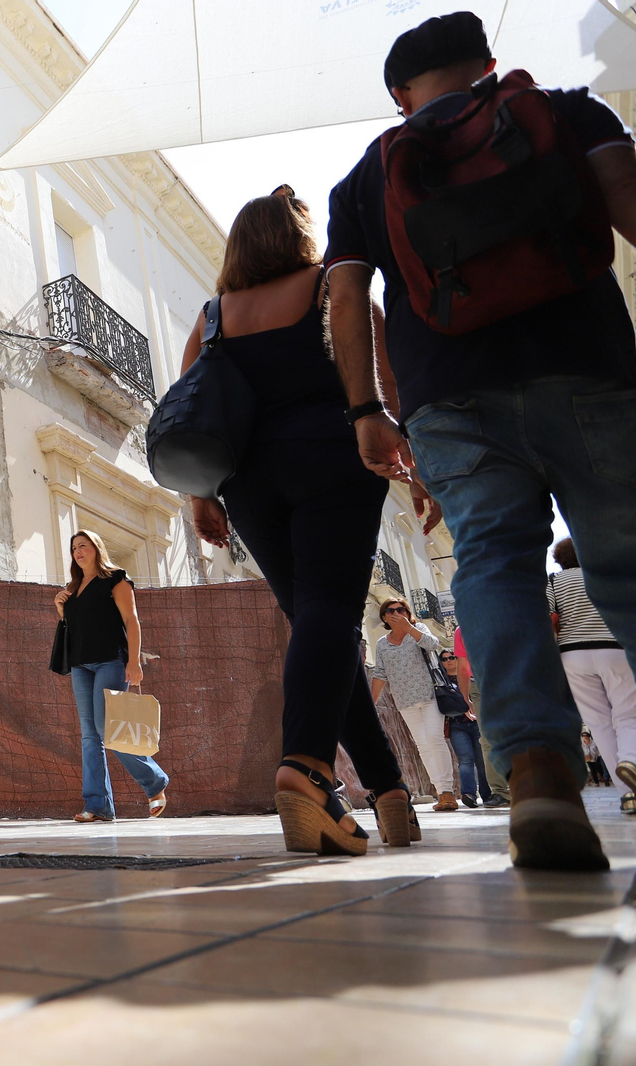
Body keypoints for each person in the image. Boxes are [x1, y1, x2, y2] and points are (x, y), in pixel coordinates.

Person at [326, 11, 636, 869]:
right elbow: (629, 203)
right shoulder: (571, 114)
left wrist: (365, 411)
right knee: (627, 562)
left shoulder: (366, 179)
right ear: (490, 67)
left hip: (449, 402)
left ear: (400, 97)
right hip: (591, 371)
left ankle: (538, 776)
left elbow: (348, 302)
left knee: (493, 564)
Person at [178, 191, 414, 856]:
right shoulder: (327, 287)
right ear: (298, 236)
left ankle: (389, 790)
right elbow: (386, 379)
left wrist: (201, 496)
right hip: (333, 457)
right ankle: (306, 765)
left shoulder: (212, 316)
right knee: (329, 616)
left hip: (249, 482)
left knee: (320, 624)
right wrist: (419, 464)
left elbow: (191, 410)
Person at [52, 530, 168, 822]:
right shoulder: (73, 587)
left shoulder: (116, 579)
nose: (78, 552)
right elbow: (76, 627)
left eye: (83, 546)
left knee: (107, 730)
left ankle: (154, 782)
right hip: (81, 666)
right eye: (74, 548)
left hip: (111, 662)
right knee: (90, 737)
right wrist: (61, 609)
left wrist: (133, 661)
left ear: (96, 548)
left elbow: (131, 620)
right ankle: (97, 806)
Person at [549, 537, 636, 812]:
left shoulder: (553, 582)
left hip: (572, 655)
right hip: (615, 649)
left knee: (598, 724)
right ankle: (631, 759)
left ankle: (628, 795)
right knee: (628, 714)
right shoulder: (606, 576)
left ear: (560, 561)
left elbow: (550, 620)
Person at [370, 599, 458, 811]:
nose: (396, 613)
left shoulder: (418, 629)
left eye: (401, 610)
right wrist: (370, 703)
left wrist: (408, 627)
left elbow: (433, 644)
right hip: (404, 702)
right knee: (423, 746)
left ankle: (448, 792)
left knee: (435, 738)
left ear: (408, 613)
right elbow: (380, 673)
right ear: (384, 617)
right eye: (391, 611)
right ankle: (440, 791)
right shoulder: (382, 643)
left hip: (430, 696)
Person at [454, 624, 509, 807]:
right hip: (478, 687)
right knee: (487, 740)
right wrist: (464, 698)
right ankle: (500, 792)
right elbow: (462, 666)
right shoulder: (462, 630)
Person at [439, 650, 484, 806]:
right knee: (465, 760)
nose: (449, 661)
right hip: (456, 725)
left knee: (482, 760)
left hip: (476, 724)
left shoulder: (470, 677)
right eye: (444, 659)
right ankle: (469, 794)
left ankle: (487, 794)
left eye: (452, 657)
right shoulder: (440, 682)